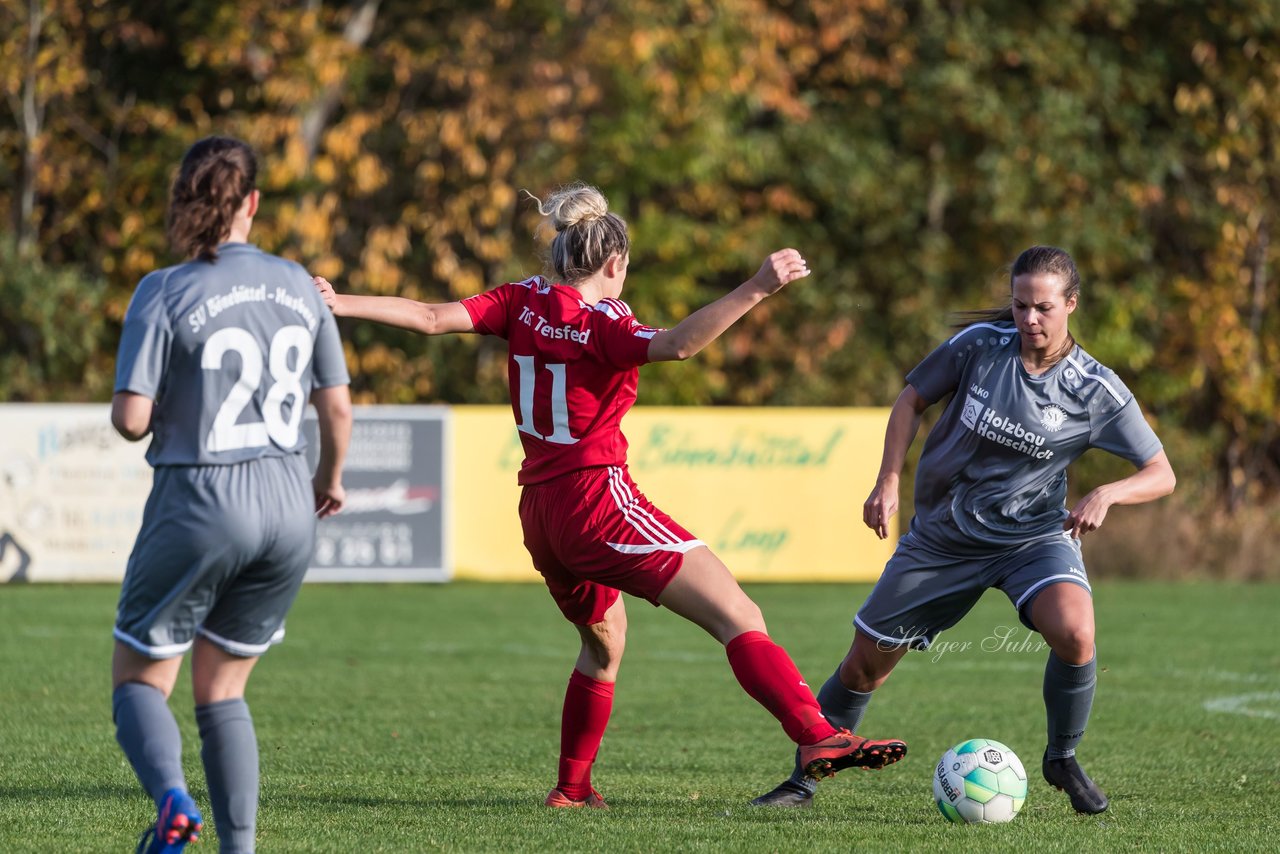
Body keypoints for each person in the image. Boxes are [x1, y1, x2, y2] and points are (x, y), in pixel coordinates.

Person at [313, 182, 907, 808]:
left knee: (605, 642)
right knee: (740, 617)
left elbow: (431, 318)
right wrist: (758, 285)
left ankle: (571, 789)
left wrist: (338, 301)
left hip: (542, 513)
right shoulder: (603, 322)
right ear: (614, 263)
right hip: (597, 500)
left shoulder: (522, 299)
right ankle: (818, 736)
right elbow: (678, 344)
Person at [751, 245, 1176, 813]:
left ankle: (1062, 757)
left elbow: (1161, 473)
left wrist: (1109, 492)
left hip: (1032, 539)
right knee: (863, 667)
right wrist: (889, 479)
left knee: (1076, 634)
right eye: (1020, 305)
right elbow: (911, 400)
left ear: (1071, 305)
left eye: (1044, 308)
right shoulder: (979, 348)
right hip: (943, 539)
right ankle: (804, 778)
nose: (1029, 319)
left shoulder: (1095, 389)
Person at [111, 135, 353, 853]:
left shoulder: (164, 288)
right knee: (222, 688)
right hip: (287, 501)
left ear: (184, 201)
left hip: (202, 496)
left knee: (138, 678)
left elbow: (131, 420)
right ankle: (238, 849)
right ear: (252, 202)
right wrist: (329, 480)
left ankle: (172, 803)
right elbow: (336, 408)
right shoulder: (299, 283)